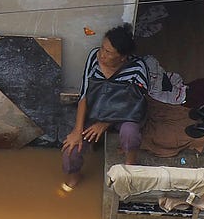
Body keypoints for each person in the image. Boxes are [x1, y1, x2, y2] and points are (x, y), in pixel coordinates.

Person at [60, 24, 149, 193]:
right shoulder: (94, 57)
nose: (102, 54)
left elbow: (135, 104)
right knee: (70, 150)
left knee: (130, 133)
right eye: (102, 48)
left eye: (108, 52)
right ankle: (74, 176)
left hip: (125, 115)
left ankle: (129, 166)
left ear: (123, 57)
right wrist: (77, 131)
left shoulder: (138, 68)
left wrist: (105, 123)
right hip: (96, 111)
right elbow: (84, 94)